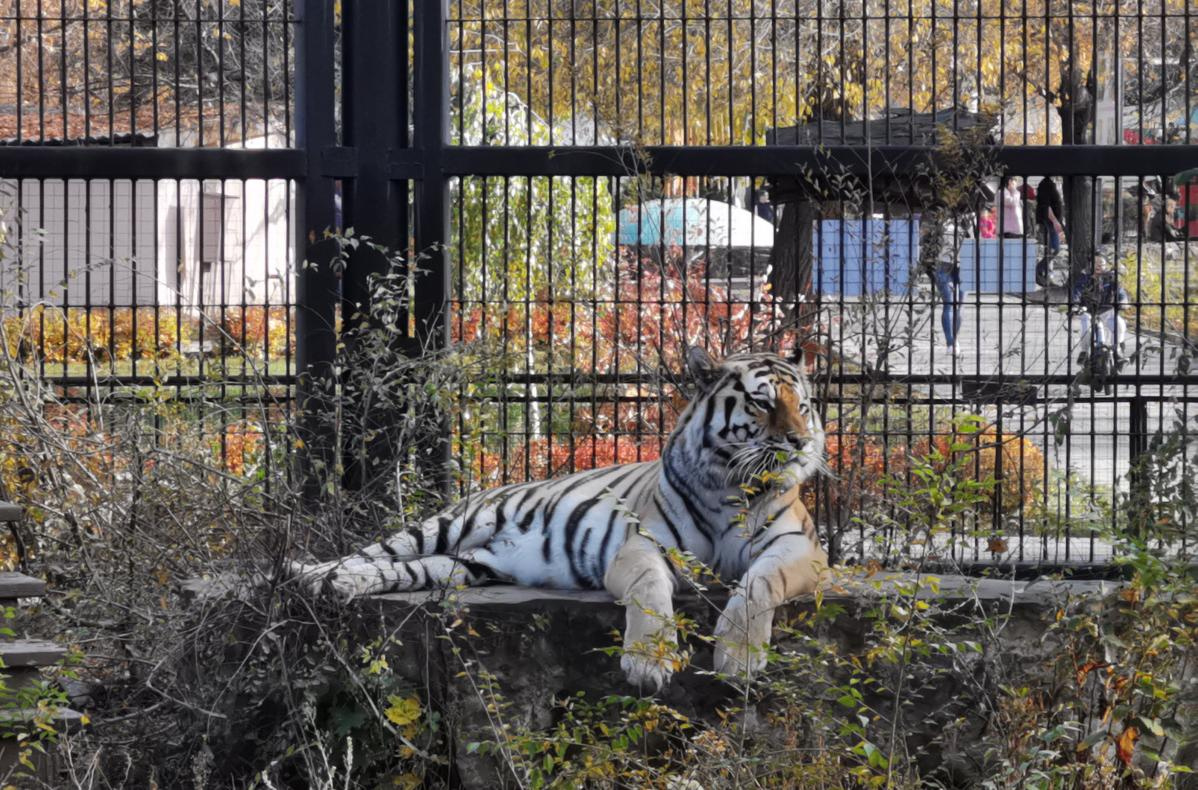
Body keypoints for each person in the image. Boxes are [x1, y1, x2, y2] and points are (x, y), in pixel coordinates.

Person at [922, 212, 972, 359]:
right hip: (953, 263)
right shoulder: (968, 217)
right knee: (954, 304)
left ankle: (952, 343)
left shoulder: (941, 218)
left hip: (953, 263)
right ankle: (952, 342)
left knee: (952, 304)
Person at [1072, 254, 1128, 366]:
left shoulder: (1110, 278)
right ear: (1091, 264)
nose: (1099, 266)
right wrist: (1075, 305)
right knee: (1086, 326)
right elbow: (1077, 292)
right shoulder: (1084, 278)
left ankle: (1116, 350)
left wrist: (1123, 301)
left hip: (1106, 310)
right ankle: (1084, 352)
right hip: (1087, 310)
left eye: (1101, 264)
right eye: (1096, 263)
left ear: (1105, 265)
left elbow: (1121, 292)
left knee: (1120, 325)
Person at [1034, 177, 1064, 286]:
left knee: (1051, 250)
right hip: (1049, 223)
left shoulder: (1050, 184)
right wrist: (1055, 221)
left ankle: (1045, 275)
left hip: (1050, 223)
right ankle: (1039, 269)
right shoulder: (1047, 184)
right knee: (1054, 249)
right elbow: (1046, 206)